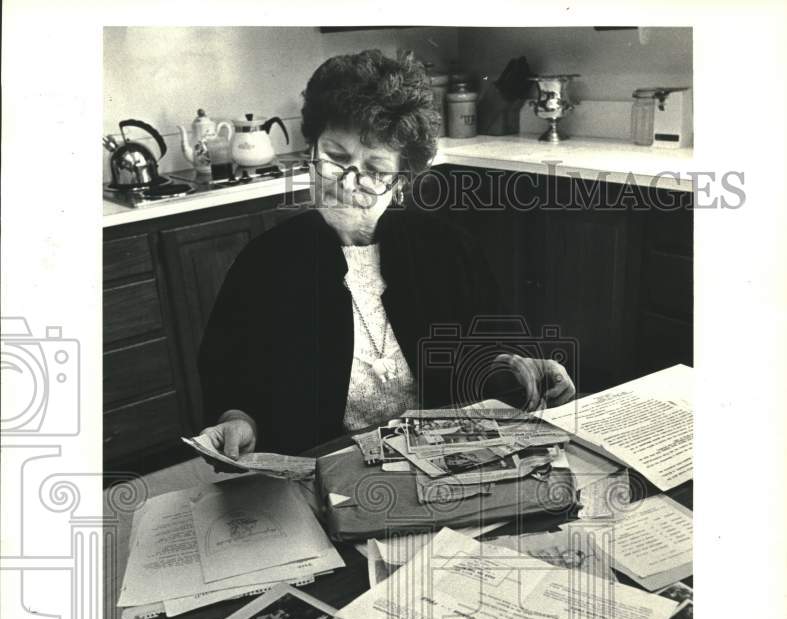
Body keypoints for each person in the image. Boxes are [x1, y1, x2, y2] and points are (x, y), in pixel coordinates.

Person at [198, 50, 575, 458]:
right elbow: (229, 375)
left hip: (441, 462)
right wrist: (238, 420)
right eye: (335, 158)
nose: (348, 182)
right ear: (310, 155)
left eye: (375, 169)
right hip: (322, 468)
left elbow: (484, 354)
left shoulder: (448, 250)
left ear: (400, 184)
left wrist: (519, 369)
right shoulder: (264, 264)